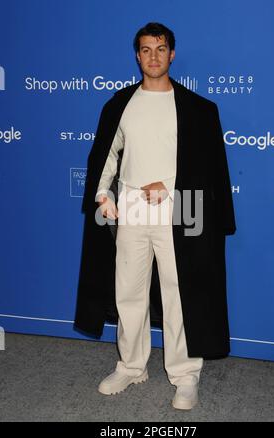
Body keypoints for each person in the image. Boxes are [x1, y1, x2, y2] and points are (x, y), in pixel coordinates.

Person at [74, 22, 236, 411]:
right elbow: (106, 155)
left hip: (183, 209)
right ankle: (131, 366)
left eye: (160, 49)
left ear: (172, 54)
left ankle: (185, 376)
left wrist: (171, 185)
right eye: (146, 50)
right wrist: (101, 194)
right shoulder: (120, 104)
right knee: (128, 292)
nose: (153, 57)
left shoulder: (199, 109)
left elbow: (210, 169)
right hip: (129, 206)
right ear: (137, 55)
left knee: (182, 295)